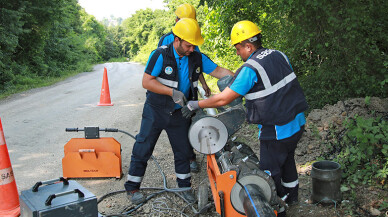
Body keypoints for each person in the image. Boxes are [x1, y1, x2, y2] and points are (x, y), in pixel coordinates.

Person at [182, 20, 308, 216]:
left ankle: (274, 210)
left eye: (238, 48)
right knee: (288, 160)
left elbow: (224, 98)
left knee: (267, 174)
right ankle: (292, 199)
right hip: (297, 122)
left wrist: (196, 104)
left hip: (276, 129)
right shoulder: (279, 55)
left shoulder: (251, 68)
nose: (237, 53)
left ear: (248, 46)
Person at [125, 18, 233, 205]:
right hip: (156, 111)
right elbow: (147, 81)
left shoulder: (196, 57)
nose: (192, 49)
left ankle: (184, 188)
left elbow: (217, 71)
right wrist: (171, 92)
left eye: (194, 46)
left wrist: (241, 75)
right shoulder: (160, 55)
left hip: (180, 113)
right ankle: (133, 187)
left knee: (183, 151)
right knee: (143, 147)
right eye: (189, 45)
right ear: (177, 40)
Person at [157, 3, 210, 173]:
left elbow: (196, 62)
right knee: (178, 129)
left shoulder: (192, 37)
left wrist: (203, 82)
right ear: (177, 20)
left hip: (189, 92)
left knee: (189, 122)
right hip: (171, 96)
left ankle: (191, 156)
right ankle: (186, 157)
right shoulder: (167, 40)